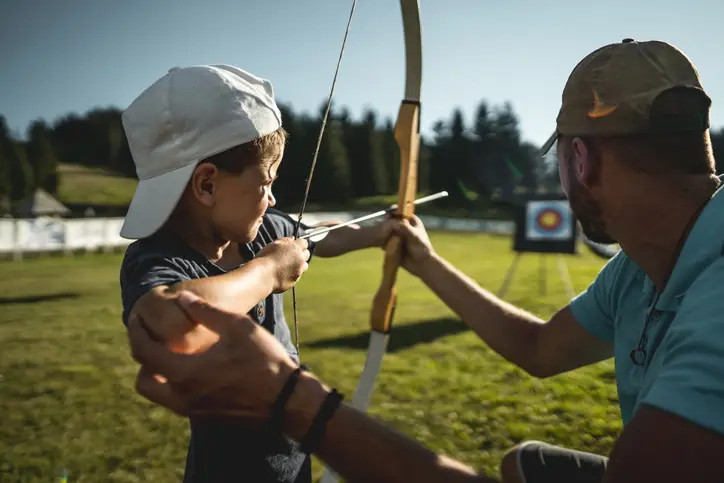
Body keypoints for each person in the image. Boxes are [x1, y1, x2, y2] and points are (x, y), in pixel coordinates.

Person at [127, 39, 724, 482]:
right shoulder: (637, 271)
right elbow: (541, 349)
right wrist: (415, 254)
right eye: (267, 182)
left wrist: (292, 397)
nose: (275, 198)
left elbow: (314, 238)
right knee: (526, 466)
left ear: (581, 162)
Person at [118, 64, 393, 483]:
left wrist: (380, 232)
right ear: (207, 185)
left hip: (294, 454)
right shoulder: (158, 259)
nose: (272, 196)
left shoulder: (261, 227)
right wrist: (266, 271)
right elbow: (171, 318)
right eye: (265, 181)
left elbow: (323, 237)